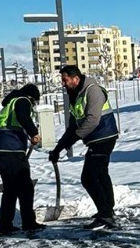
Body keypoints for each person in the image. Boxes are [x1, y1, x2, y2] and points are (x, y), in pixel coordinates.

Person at [49, 63, 121, 227]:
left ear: (76, 78)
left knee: (89, 177)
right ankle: (107, 210)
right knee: (101, 174)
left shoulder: (92, 90)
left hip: (104, 136)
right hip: (97, 138)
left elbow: (92, 120)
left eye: (65, 80)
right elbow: (73, 126)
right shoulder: (77, 96)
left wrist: (74, 138)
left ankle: (105, 214)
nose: (63, 83)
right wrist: (58, 148)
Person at [0, 82, 43, 237]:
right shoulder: (22, 100)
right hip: (11, 149)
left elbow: (14, 122)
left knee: (11, 189)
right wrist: (33, 133)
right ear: (31, 97)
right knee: (26, 187)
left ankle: (6, 226)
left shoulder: (9, 104)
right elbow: (23, 116)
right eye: (34, 102)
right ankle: (28, 222)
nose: (33, 105)